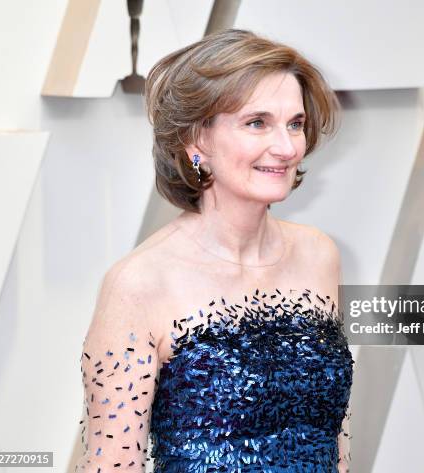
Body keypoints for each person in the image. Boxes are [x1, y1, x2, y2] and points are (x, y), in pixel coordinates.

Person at [74, 28, 354, 473]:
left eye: (295, 124)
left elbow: (331, 434)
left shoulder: (319, 255)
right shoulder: (139, 283)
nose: (286, 147)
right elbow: (110, 465)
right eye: (257, 122)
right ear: (195, 141)